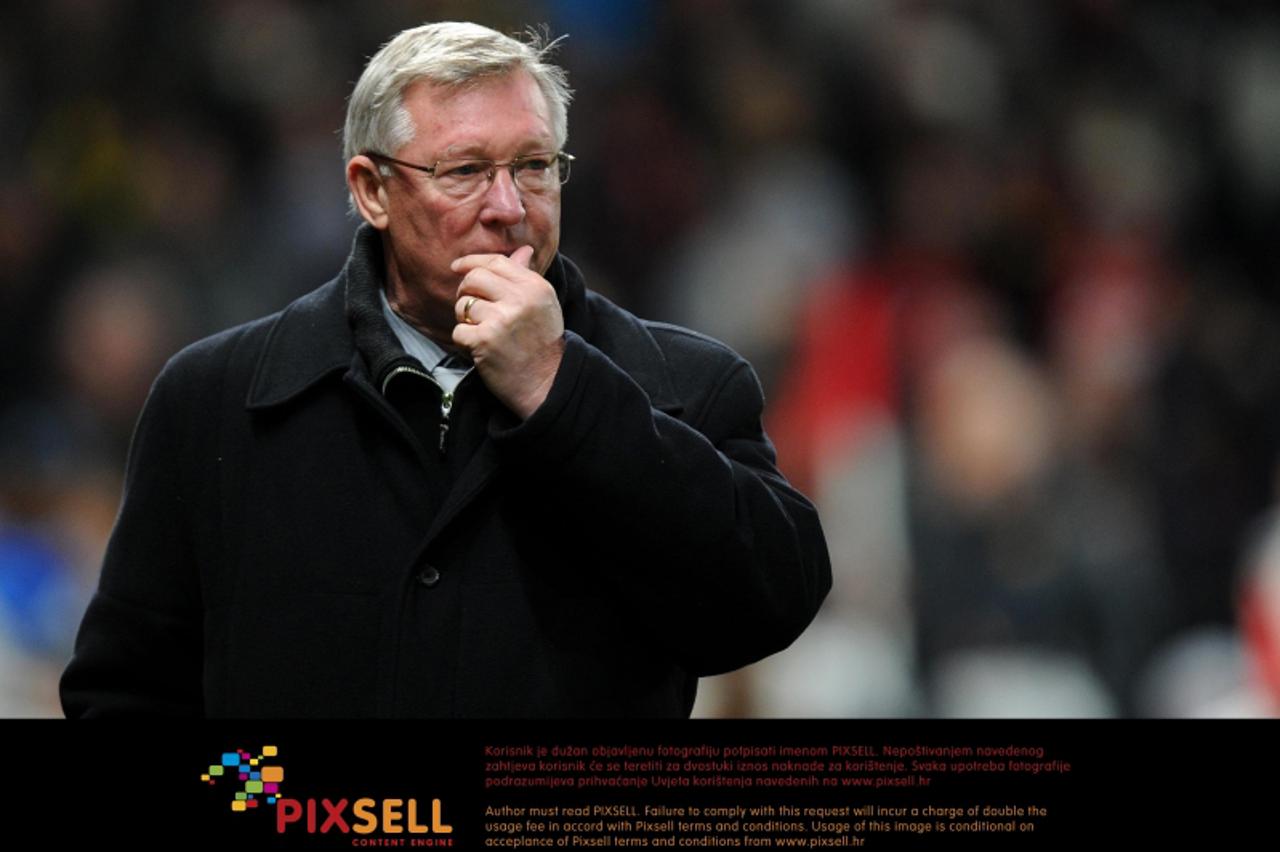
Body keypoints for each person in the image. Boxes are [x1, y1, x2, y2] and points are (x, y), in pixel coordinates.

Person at [60, 21, 830, 717]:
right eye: (464, 170)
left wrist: (562, 392)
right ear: (371, 191)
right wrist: (269, 804)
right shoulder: (215, 397)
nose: (509, 206)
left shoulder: (689, 382)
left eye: (534, 166)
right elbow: (126, 693)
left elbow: (769, 607)